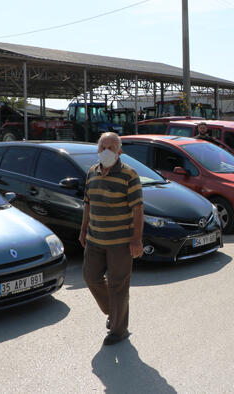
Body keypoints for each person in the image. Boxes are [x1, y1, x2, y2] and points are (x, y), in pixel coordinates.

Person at [80, 132, 144, 346]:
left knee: (119, 285)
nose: (106, 151)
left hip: (120, 243)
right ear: (97, 150)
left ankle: (118, 330)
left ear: (119, 152)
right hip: (95, 240)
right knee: (91, 277)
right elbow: (87, 204)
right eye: (102, 147)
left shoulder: (129, 175)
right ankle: (114, 311)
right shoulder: (91, 173)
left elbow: (138, 209)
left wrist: (136, 239)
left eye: (111, 147)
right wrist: (83, 231)